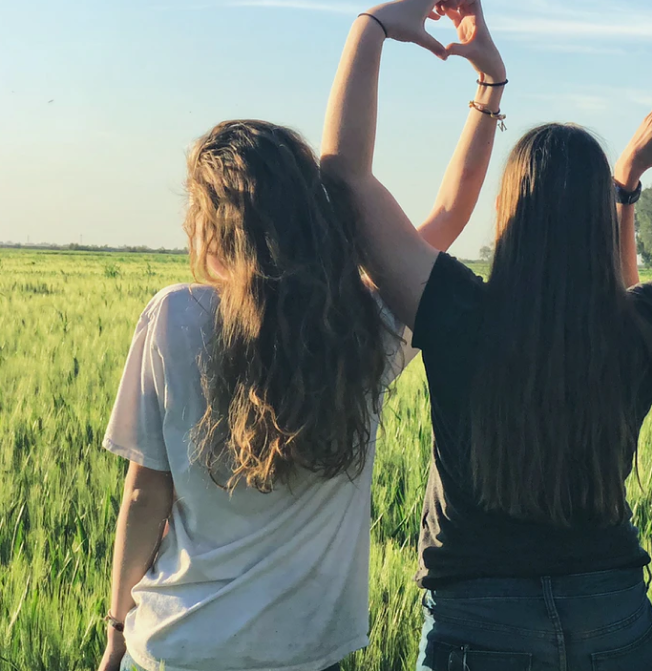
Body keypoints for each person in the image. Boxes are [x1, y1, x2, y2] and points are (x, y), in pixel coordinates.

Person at [319, 1, 652, 668]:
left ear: (510, 214)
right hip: (615, 620)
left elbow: (343, 179)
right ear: (599, 221)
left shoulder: (455, 310)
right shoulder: (642, 325)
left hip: (476, 625)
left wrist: (370, 28)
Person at [95, 5, 501, 667]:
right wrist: (487, 89)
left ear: (212, 227)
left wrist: (116, 629)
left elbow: (145, 492)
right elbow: (450, 215)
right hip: (306, 652)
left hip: (176, 644)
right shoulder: (362, 329)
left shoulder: (173, 317)